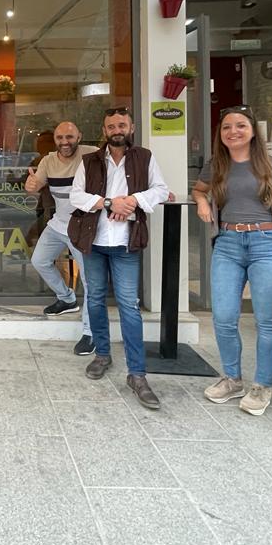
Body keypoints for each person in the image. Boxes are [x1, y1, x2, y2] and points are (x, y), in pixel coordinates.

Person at [192, 105, 272, 416]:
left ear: (253, 130)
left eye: (240, 126)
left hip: (269, 244)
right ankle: (232, 379)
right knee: (223, 316)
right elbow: (199, 190)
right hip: (228, 243)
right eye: (227, 127)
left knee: (266, 321)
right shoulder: (216, 165)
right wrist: (202, 202)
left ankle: (262, 385)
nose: (233, 132)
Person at [69, 107, 169, 407]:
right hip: (95, 241)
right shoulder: (89, 161)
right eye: (111, 125)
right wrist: (110, 202)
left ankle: (137, 374)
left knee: (129, 306)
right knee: (95, 299)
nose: (116, 129)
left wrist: (132, 201)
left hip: (126, 243)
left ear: (131, 127)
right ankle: (102, 354)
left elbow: (161, 190)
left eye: (121, 124)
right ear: (104, 130)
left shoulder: (144, 157)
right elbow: (76, 196)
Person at [25, 122, 99, 355]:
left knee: (89, 282)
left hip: (84, 227)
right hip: (58, 224)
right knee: (39, 260)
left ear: (80, 136)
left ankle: (90, 332)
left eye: (70, 137)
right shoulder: (48, 161)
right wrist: (31, 185)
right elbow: (35, 185)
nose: (65, 142)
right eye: (60, 137)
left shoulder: (92, 155)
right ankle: (66, 298)